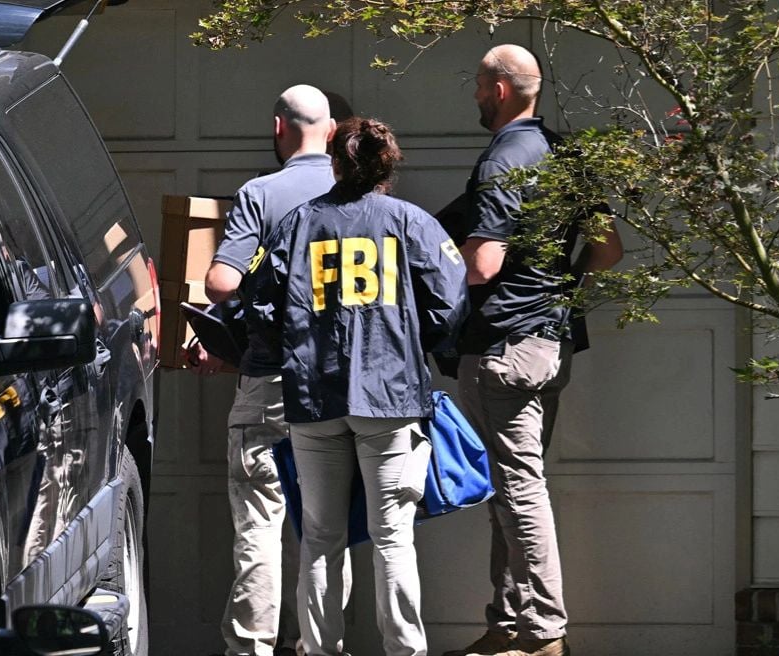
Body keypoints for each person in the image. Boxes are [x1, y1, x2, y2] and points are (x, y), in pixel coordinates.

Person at [245, 117, 468, 656]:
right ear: (387, 166)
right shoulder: (411, 222)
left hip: (315, 396)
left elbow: (259, 301)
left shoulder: (298, 223)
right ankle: (405, 651)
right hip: (390, 397)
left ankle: (321, 650)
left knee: (321, 537)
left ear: (335, 163)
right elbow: (451, 300)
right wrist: (407, 343)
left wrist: (291, 351)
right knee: (393, 537)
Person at [440, 44, 624, 656]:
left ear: (497, 89)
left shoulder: (502, 159)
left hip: (502, 347)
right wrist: (556, 291)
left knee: (517, 489)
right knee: (511, 485)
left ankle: (543, 632)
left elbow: (482, 264)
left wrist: (431, 272)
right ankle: (508, 627)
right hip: (550, 344)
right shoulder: (567, 155)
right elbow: (607, 251)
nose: (474, 96)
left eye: (476, 85)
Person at [187, 84, 348, 656]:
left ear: (279, 128)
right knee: (327, 529)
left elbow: (221, 282)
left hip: (272, 381)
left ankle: (252, 648)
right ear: (332, 132)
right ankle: (319, 645)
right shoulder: (360, 196)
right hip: (341, 388)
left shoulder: (261, 193)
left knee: (260, 523)